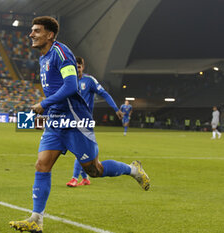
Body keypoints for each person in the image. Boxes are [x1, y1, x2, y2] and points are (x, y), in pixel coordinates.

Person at [9, 16, 150, 233]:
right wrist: (48, 108)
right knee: (42, 164)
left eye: (36, 31)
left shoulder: (60, 53)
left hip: (75, 119)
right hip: (56, 120)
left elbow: (71, 85)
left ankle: (133, 169)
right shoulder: (44, 58)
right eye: (32, 30)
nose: (31, 34)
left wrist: (44, 103)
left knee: (94, 170)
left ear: (49, 34)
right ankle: (36, 219)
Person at [66, 56, 121, 187]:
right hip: (72, 120)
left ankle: (74, 178)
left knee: (80, 150)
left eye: (79, 67)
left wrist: (115, 108)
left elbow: (104, 94)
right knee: (79, 150)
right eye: (75, 66)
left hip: (85, 121)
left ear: (82, 67)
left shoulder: (89, 81)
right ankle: (85, 178)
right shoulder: (69, 82)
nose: (77, 69)